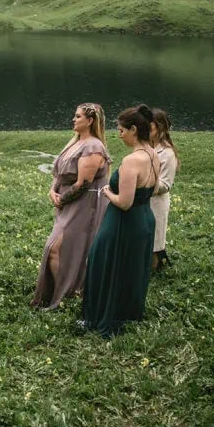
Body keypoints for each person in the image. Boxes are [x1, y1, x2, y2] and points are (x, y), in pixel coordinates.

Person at [81, 104, 160, 337]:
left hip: (123, 222)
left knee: (103, 262)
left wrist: (107, 192)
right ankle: (128, 314)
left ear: (134, 130)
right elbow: (153, 189)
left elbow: (124, 202)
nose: (119, 135)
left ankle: (101, 317)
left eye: (122, 130)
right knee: (132, 268)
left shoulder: (131, 161)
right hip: (145, 219)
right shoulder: (154, 155)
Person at [31, 103, 111, 309]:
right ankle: (63, 293)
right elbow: (59, 173)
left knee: (58, 247)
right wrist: (52, 191)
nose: (73, 120)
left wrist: (62, 198)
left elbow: (83, 183)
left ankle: (68, 294)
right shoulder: (75, 142)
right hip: (67, 204)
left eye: (78, 117)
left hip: (85, 205)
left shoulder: (93, 147)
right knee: (60, 248)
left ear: (90, 121)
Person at [149, 109, 180, 271]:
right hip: (143, 200)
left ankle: (155, 268)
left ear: (160, 128)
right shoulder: (148, 147)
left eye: (150, 127)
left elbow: (165, 184)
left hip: (156, 202)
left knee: (155, 239)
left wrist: (144, 183)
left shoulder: (167, 153)